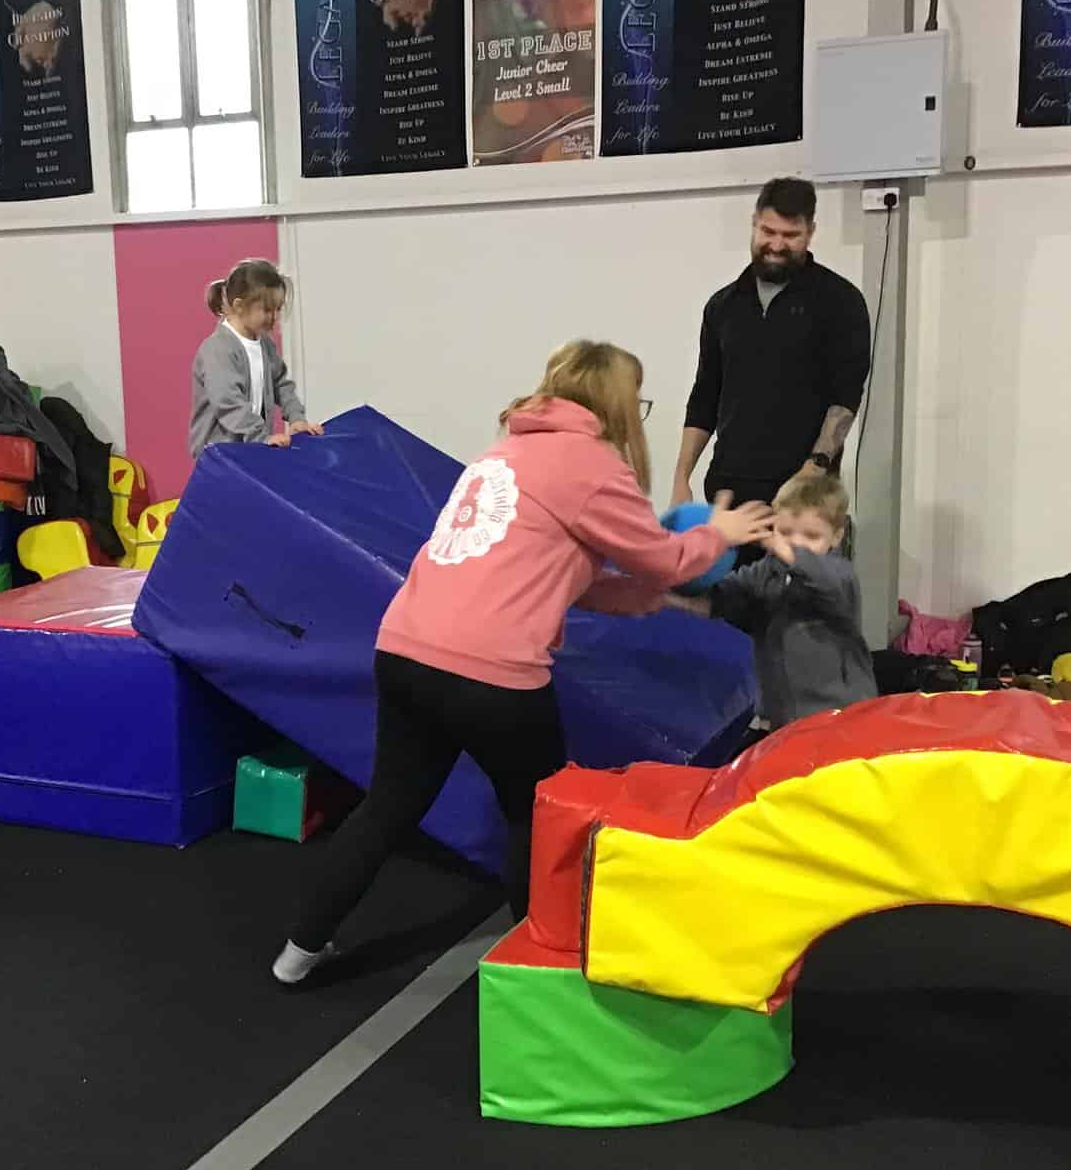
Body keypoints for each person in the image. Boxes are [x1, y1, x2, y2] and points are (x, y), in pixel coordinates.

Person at [273, 340, 775, 985]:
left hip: (404, 650)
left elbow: (559, 575)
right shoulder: (591, 465)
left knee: (388, 808)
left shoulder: (502, 455)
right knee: (537, 815)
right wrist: (717, 535)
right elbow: (668, 559)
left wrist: (649, 599)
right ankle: (540, 974)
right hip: (490, 671)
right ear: (619, 403)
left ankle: (298, 952)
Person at [669, 178, 871, 547]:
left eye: (791, 235)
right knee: (728, 585)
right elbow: (705, 397)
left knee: (796, 585)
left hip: (801, 500)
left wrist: (814, 468)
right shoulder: (723, 305)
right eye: (768, 231)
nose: (777, 245)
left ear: (811, 232)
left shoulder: (840, 302)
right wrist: (681, 478)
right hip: (729, 491)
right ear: (754, 224)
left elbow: (845, 397)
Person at [677, 471, 876, 729]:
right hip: (782, 718)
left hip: (840, 715)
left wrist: (774, 542)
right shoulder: (767, 571)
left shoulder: (840, 574)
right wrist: (683, 594)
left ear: (836, 537)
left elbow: (821, 577)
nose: (796, 543)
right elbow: (725, 597)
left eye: (811, 536)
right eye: (785, 532)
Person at [189, 259, 325, 459]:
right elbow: (228, 403)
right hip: (220, 455)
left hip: (250, 447)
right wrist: (261, 436)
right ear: (239, 306)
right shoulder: (217, 350)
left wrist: (296, 418)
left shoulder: (264, 344)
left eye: (278, 309)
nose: (274, 317)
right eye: (267, 310)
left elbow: (281, 384)